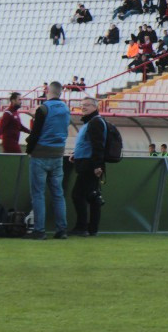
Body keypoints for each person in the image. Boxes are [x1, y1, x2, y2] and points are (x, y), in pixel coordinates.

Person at [25, 81, 71, 240]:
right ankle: (62, 230)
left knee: (38, 194)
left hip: (40, 154)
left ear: (47, 91)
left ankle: (40, 231)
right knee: (58, 194)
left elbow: (36, 132)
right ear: (61, 92)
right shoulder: (66, 108)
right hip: (58, 154)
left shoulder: (43, 108)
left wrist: (29, 150)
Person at [70, 96, 108, 237]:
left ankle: (82, 227)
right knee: (92, 196)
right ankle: (92, 228)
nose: (83, 107)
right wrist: (76, 153)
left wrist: (98, 165)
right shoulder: (93, 122)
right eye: (82, 105)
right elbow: (89, 143)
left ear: (95, 107)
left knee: (78, 195)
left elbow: (98, 145)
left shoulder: (95, 122)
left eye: (87, 105)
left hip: (89, 165)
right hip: (88, 163)